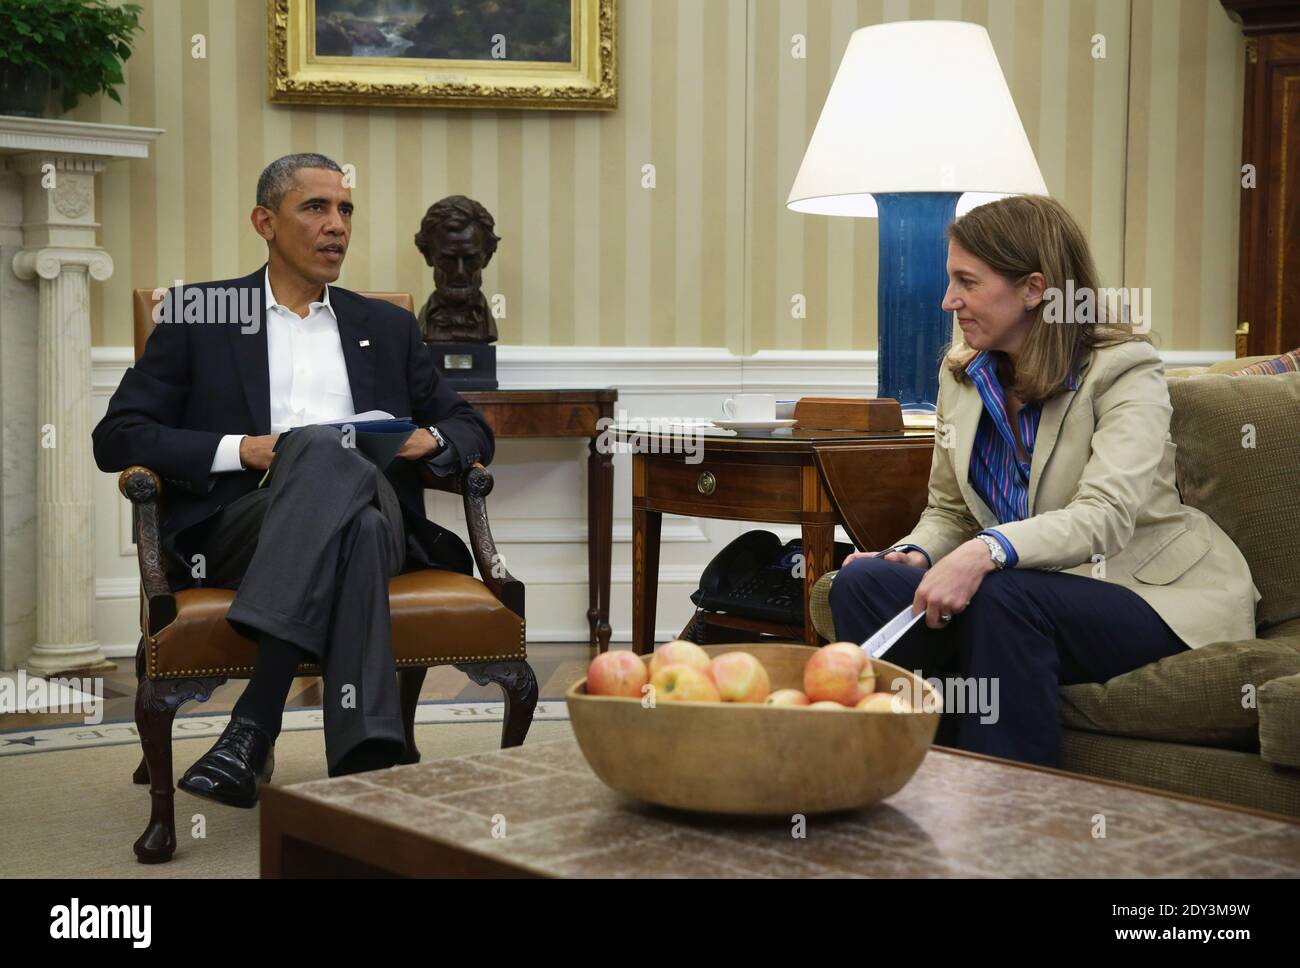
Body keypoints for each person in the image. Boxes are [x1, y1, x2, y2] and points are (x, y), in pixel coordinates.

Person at [92, 153, 494, 805]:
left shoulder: (385, 326)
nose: (337, 225)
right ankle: (370, 762)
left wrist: (435, 438)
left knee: (334, 463)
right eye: (316, 207)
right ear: (265, 222)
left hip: (385, 518)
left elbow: (470, 424)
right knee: (344, 502)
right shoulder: (203, 312)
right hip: (238, 527)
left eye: (345, 210)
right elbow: (119, 436)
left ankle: (255, 719)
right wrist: (241, 448)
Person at [829, 194, 1260, 768]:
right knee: (864, 584)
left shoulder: (1124, 369)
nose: (947, 300)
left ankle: (1004, 820)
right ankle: (905, 780)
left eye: (967, 282)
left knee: (1006, 593)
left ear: (1034, 289)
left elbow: (1106, 515)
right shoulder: (962, 373)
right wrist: (913, 553)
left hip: (1147, 592)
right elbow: (950, 511)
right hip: (1022, 589)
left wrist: (987, 551)